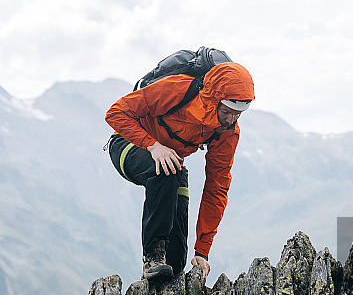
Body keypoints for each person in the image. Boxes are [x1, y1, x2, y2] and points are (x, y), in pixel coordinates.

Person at [104, 62, 255, 283]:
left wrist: (202, 251)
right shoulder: (177, 90)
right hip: (127, 144)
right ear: (213, 100)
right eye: (226, 112)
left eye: (238, 115)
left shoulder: (227, 132)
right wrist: (153, 146)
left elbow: (217, 188)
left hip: (170, 164)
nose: (230, 120)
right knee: (168, 171)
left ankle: (167, 277)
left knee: (175, 263)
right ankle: (153, 257)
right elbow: (115, 113)